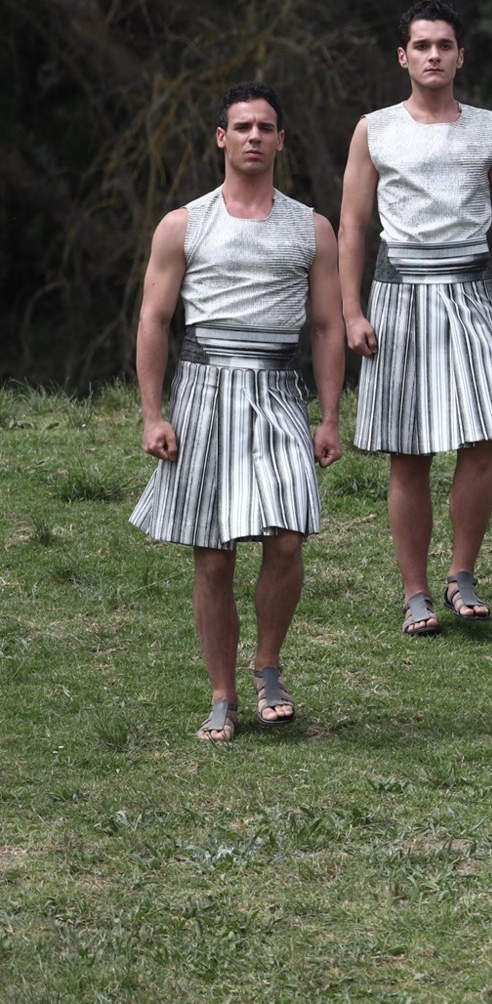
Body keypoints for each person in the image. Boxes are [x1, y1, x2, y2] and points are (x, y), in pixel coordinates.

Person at [131, 81, 345, 740]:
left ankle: (268, 666)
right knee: (215, 554)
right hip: (204, 390)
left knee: (287, 537)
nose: (254, 136)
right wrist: (153, 414)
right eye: (243, 126)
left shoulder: (311, 227)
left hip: (279, 390)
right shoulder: (184, 223)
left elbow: (327, 326)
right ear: (222, 138)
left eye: (266, 127)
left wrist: (329, 416)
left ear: (281, 140)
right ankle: (222, 696)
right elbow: (154, 319)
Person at [340, 0, 492, 635]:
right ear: (403, 56)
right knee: (409, 451)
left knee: (480, 439)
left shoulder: (490, 129)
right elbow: (353, 225)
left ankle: (462, 574)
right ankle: (415, 592)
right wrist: (352, 310)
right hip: (399, 294)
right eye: (421, 45)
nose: (433, 55)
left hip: (473, 291)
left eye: (444, 45)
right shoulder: (374, 129)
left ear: (460, 55)